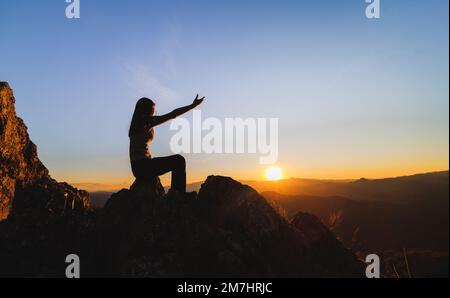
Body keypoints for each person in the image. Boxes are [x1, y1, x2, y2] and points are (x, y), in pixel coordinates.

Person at [128, 95, 205, 194]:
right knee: (178, 160)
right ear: (145, 110)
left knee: (178, 161)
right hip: (142, 166)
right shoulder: (144, 122)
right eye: (152, 110)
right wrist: (191, 106)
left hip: (140, 165)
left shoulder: (139, 122)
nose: (153, 112)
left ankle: (177, 195)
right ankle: (178, 195)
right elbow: (172, 114)